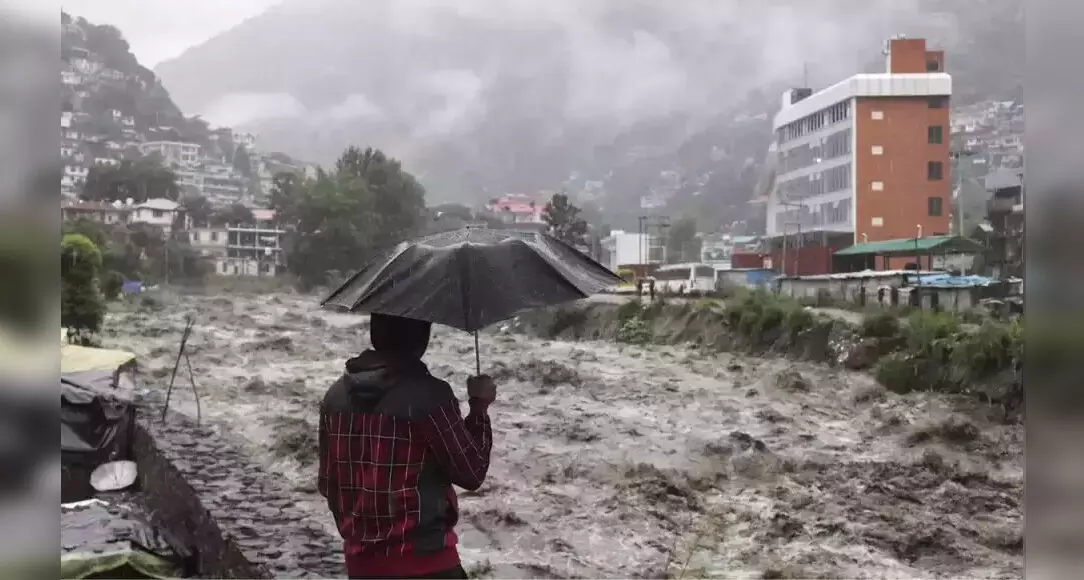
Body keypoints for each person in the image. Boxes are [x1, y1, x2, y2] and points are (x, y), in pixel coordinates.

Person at [318, 313, 496, 580]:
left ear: (374, 333)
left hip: (362, 567)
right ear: (422, 338)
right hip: (427, 565)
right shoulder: (430, 397)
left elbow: (327, 484)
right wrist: (479, 408)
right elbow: (472, 472)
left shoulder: (335, 398)